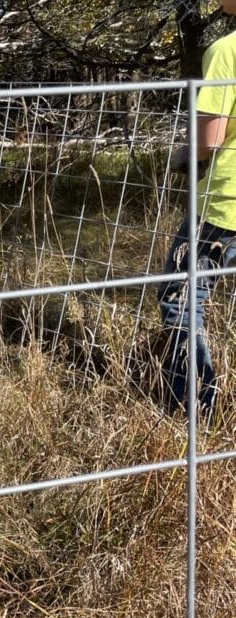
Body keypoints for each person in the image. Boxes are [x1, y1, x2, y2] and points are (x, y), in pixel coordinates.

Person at [157, 0, 236, 420]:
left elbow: (211, 138)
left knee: (180, 298)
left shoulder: (227, 49)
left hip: (226, 203)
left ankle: (194, 408)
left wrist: (182, 154)